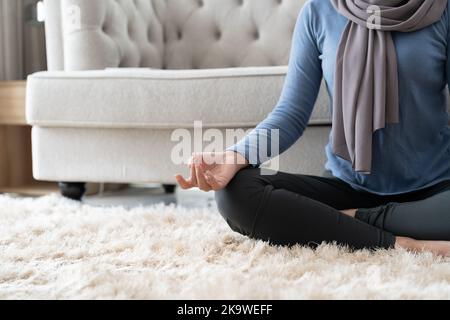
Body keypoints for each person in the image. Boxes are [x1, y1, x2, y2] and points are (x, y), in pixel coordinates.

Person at [176, 0, 450, 256]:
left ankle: (343, 221)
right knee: (234, 192)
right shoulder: (319, 10)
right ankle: (402, 242)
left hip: (434, 188)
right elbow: (290, 114)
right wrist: (235, 157)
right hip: (346, 186)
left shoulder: (442, 10)